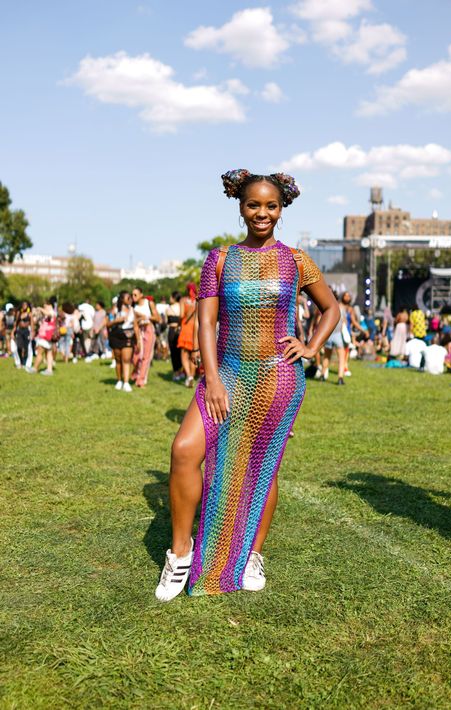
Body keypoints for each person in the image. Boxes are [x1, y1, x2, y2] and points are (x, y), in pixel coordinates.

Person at [154, 169, 340, 602]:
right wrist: (213, 378)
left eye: (270, 205)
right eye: (253, 205)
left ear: (282, 209)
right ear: (240, 207)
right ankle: (180, 554)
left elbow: (330, 309)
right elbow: (206, 322)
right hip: (228, 373)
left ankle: (251, 555)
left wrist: (311, 346)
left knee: (262, 464)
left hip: (278, 377)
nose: (262, 212)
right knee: (184, 450)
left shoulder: (297, 260)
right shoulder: (219, 258)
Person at [107, 291, 141, 392]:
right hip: (116, 335)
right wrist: (116, 321)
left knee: (126, 359)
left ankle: (126, 382)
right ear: (122, 299)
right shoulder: (115, 310)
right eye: (128, 298)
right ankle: (119, 380)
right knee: (118, 360)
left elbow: (135, 326)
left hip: (128, 336)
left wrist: (138, 340)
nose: (130, 299)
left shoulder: (132, 310)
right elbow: (108, 324)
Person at [132, 288, 159, 387]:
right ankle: (135, 374)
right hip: (139, 330)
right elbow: (135, 323)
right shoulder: (134, 308)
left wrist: (146, 316)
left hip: (148, 329)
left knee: (146, 357)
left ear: (141, 294)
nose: (133, 297)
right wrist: (138, 339)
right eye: (132, 295)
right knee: (136, 356)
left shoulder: (149, 303)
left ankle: (141, 380)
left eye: (135, 295)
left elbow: (158, 318)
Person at [26, 300, 57, 375]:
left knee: (40, 352)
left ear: (50, 305)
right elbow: (36, 321)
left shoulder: (52, 312)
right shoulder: (45, 314)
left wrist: (40, 309)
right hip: (46, 336)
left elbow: (49, 314)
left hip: (46, 336)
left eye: (45, 305)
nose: (44, 307)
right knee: (48, 352)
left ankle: (35, 368)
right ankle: (49, 370)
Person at [321, 294, 346, 384]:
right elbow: (344, 322)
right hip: (338, 335)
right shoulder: (341, 308)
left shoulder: (326, 309)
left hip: (329, 335)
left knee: (327, 356)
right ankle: (340, 378)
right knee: (341, 357)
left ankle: (323, 375)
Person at [177, 282, 198, 388]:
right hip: (195, 328)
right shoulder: (198, 301)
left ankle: (189, 376)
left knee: (184, 355)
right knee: (193, 354)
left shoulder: (183, 300)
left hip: (186, 328)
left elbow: (181, 315)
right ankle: (192, 376)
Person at [166, 291, 184, 381]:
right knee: (181, 352)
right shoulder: (182, 307)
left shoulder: (169, 308)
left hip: (172, 331)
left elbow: (167, 321)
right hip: (181, 330)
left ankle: (176, 372)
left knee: (173, 352)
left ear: (173, 298)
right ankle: (181, 372)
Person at [12, 301, 32, 367]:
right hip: (20, 331)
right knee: (19, 347)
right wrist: (13, 331)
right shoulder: (19, 313)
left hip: (27, 331)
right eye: (23, 304)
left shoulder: (30, 314)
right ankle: (20, 361)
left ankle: (25, 362)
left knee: (26, 347)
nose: (24, 306)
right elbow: (16, 323)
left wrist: (32, 332)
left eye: (26, 304)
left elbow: (32, 324)